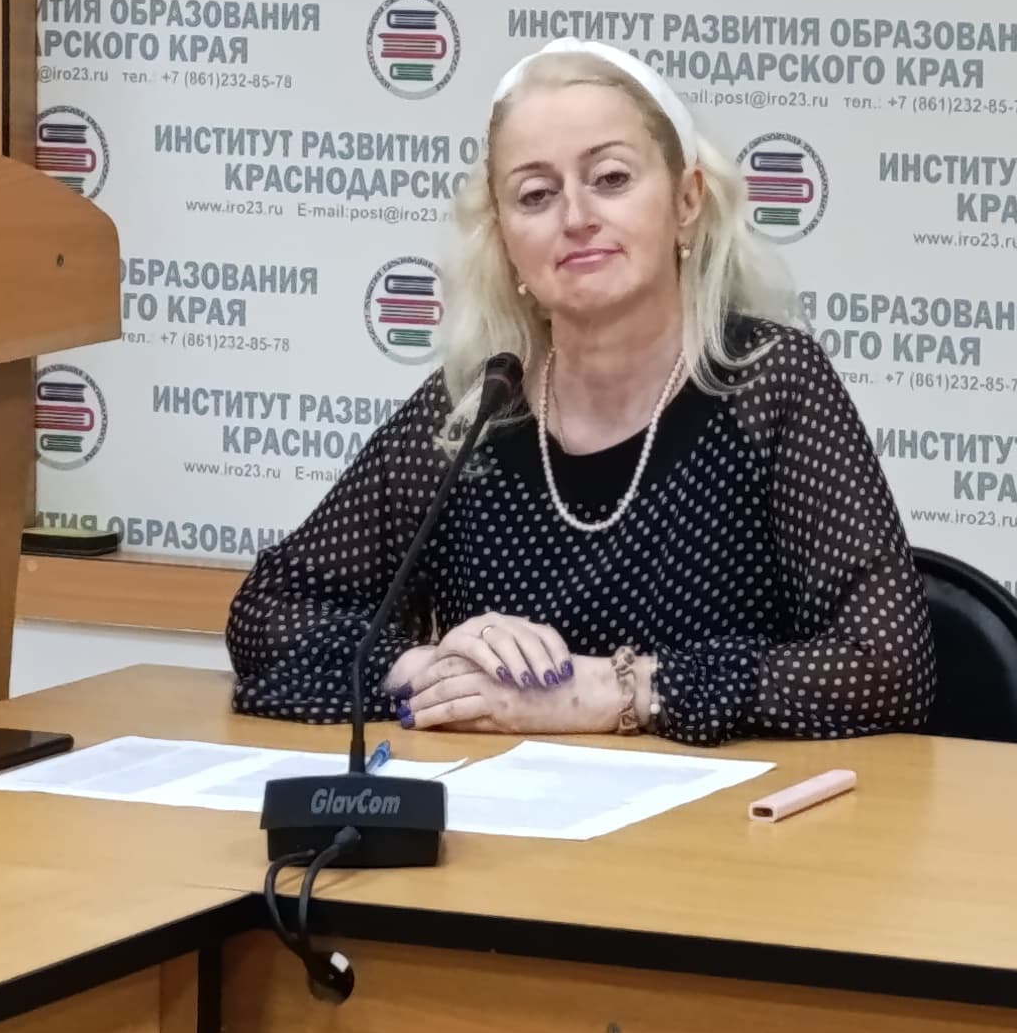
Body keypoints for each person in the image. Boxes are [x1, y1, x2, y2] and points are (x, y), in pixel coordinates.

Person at [226, 40, 931, 743]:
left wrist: (618, 690)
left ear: (687, 199)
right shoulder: (475, 408)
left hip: (726, 809)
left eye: (611, 178)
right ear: (505, 238)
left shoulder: (769, 384)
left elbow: (888, 669)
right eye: (535, 195)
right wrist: (429, 669)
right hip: (501, 807)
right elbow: (269, 613)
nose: (576, 217)